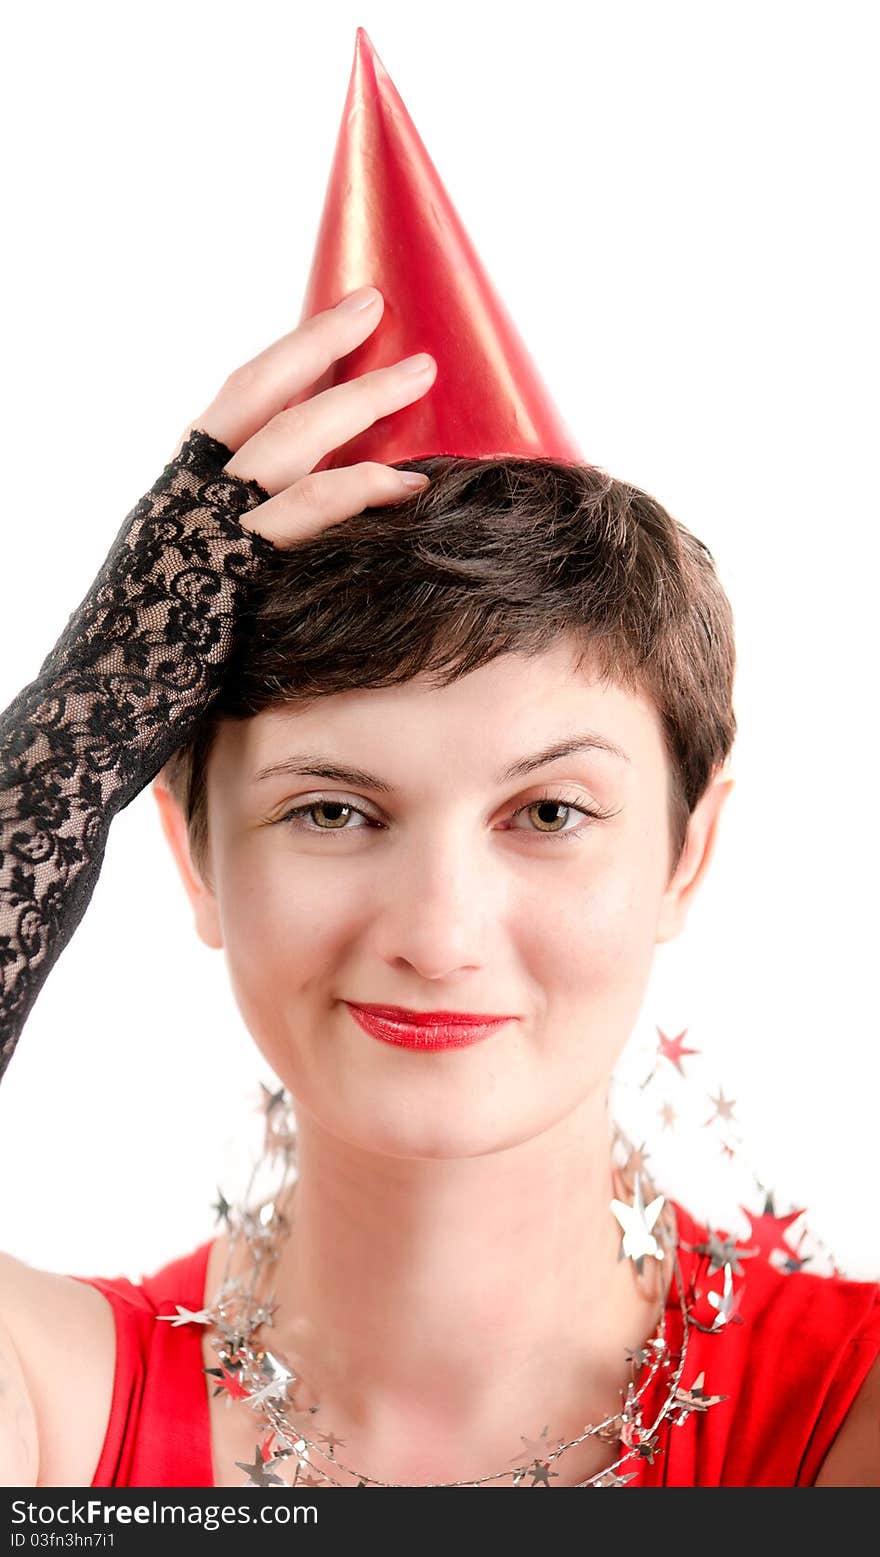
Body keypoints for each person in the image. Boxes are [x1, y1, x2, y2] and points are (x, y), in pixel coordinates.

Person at [1, 288, 879, 1490]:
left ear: (686, 852)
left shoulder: (850, 1405)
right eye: (332, 811)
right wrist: (80, 731)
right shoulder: (48, 1401)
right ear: (193, 854)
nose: (438, 933)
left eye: (549, 814)